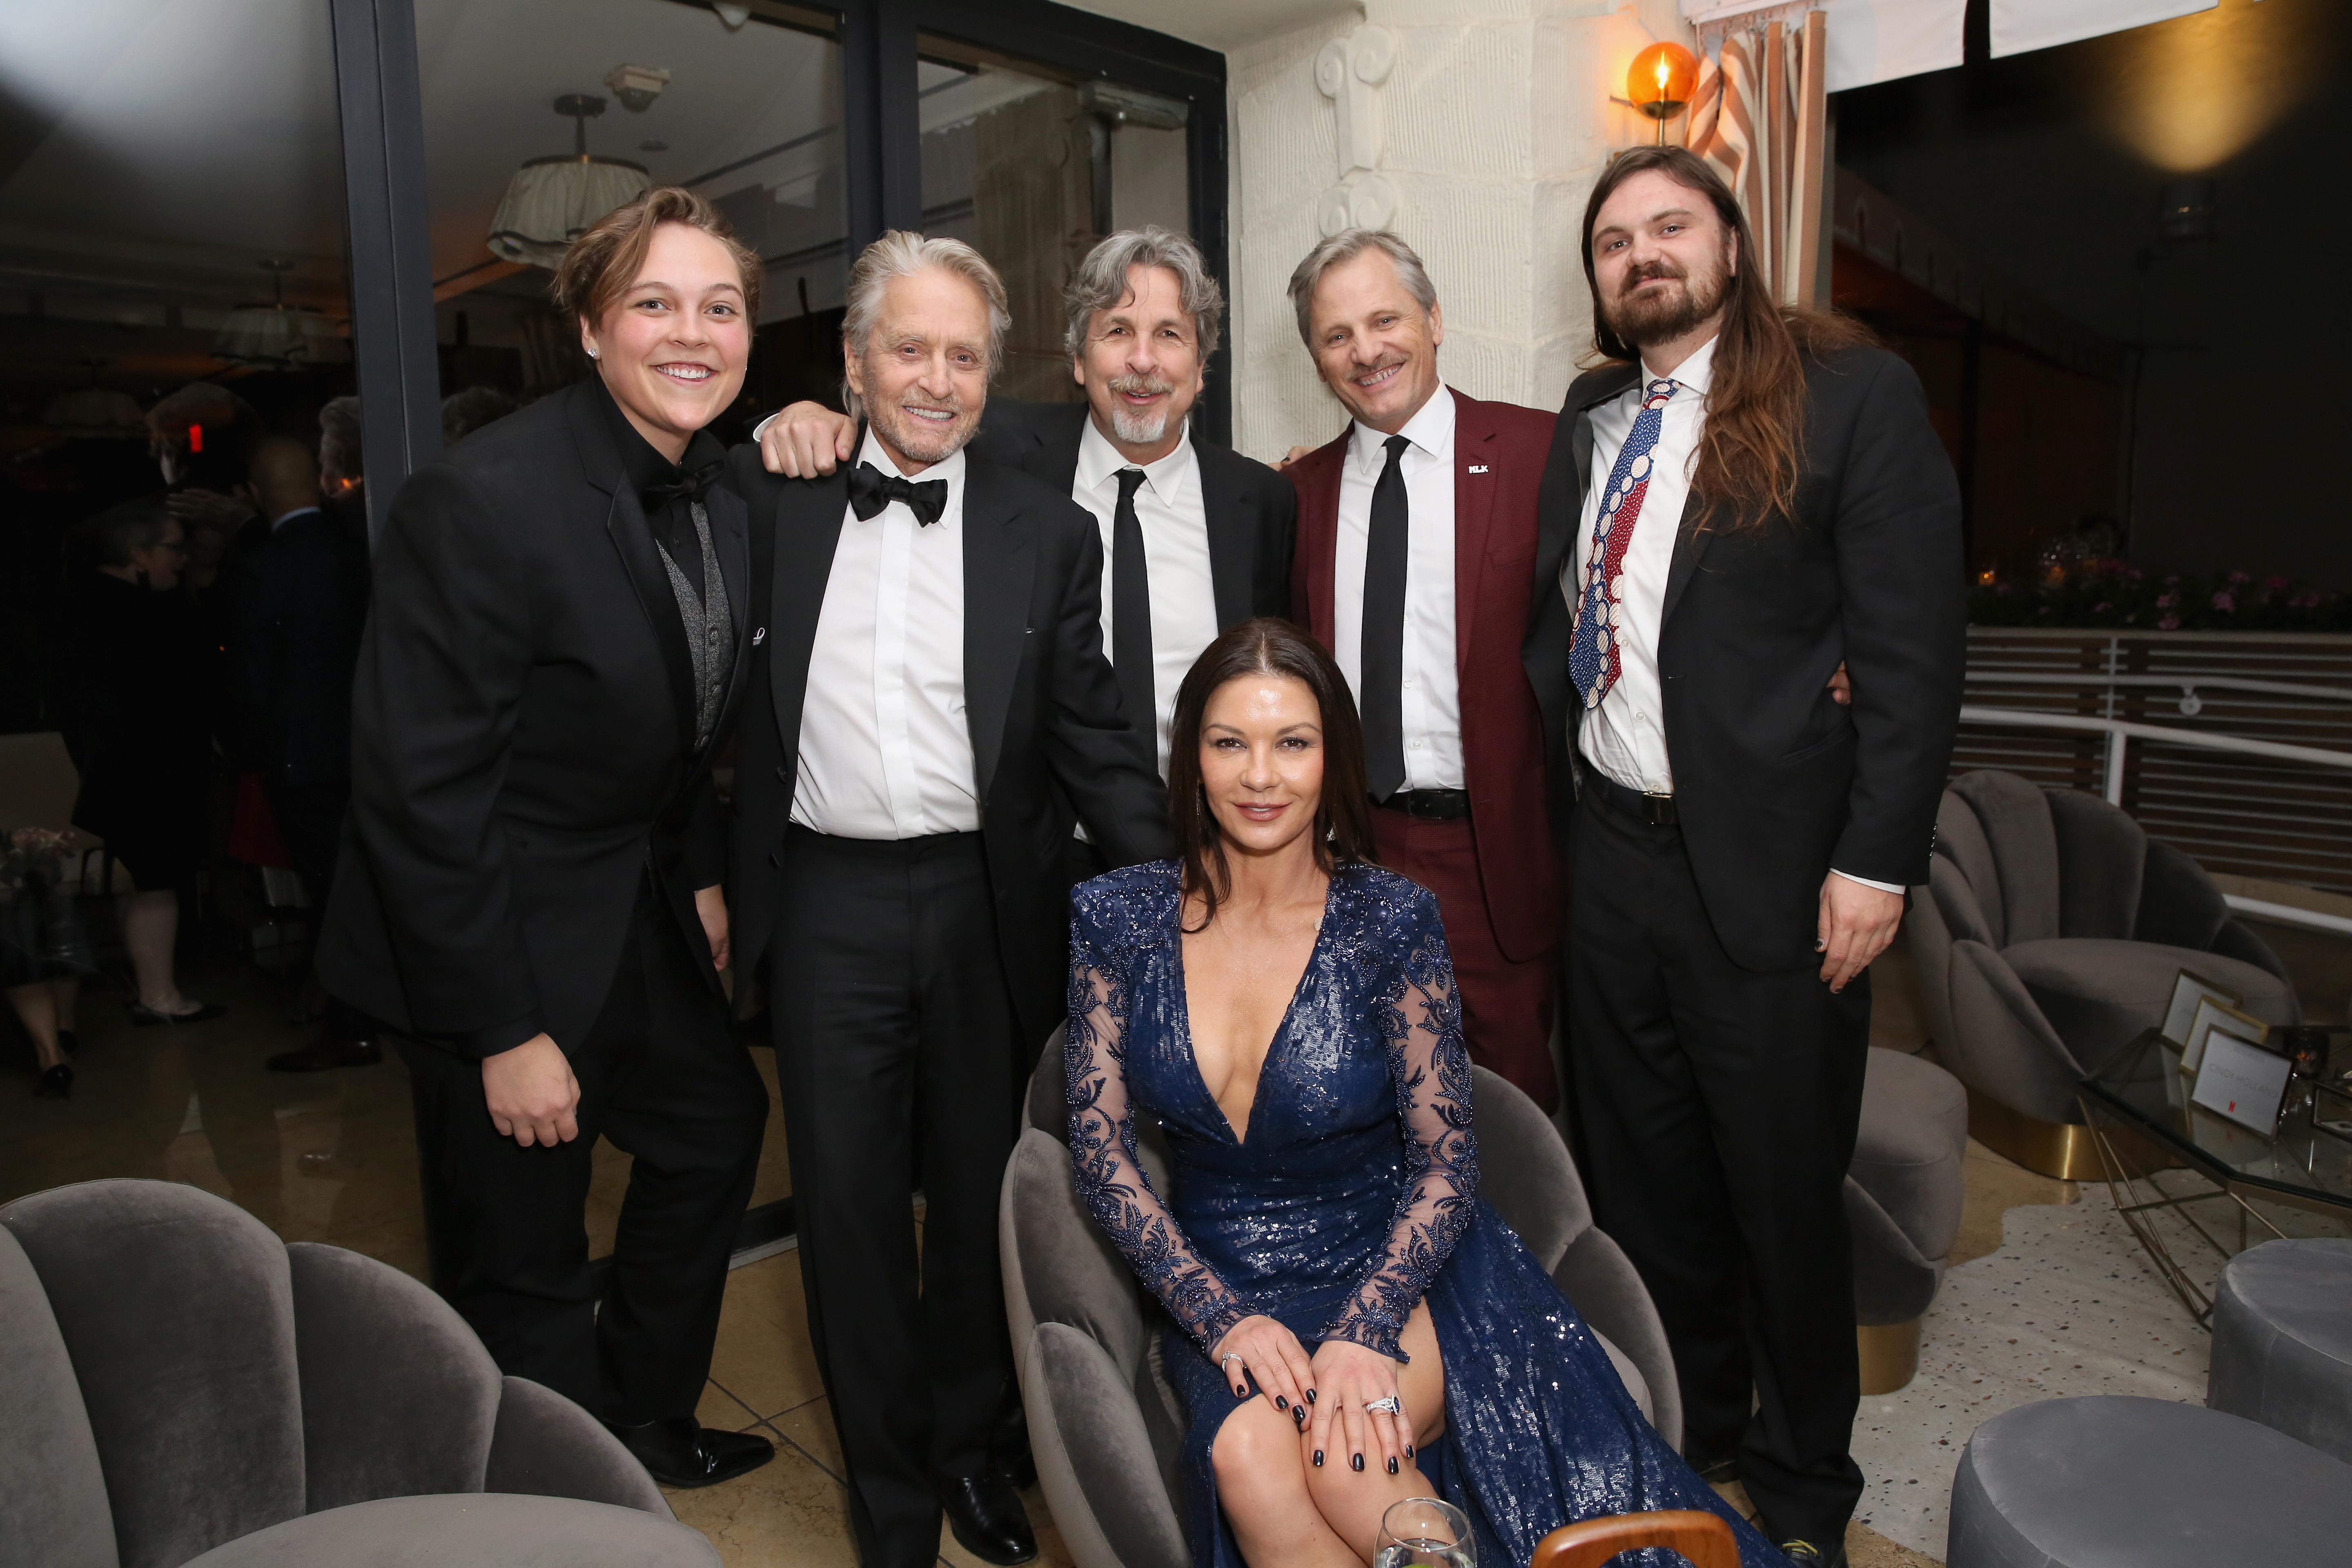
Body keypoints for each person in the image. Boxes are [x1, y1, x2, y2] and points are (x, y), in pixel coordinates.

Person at [1065, 617, 1783, 1568]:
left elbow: (1447, 1160)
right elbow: (1100, 1148)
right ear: (1191, 757)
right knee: (1248, 1457)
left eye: (1293, 744)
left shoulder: (1390, 920)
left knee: (1347, 1450)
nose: (1261, 776)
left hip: (1394, 1266)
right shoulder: (1116, 916)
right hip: (1226, 1283)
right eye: (1230, 743)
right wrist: (1216, 1314)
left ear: (1334, 757)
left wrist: (1369, 1327)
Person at [1522, 146, 1964, 1568]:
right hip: (1614, 856)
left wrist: (1876, 864)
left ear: (1731, 243)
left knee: (1781, 1198)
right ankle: (1691, 1433)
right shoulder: (1592, 414)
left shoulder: (1853, 396)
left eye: (1670, 226)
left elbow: (1913, 655)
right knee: (1643, 1186)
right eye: (1614, 242)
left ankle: (1805, 1487)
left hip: (1778, 874)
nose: (1641, 255)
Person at [722, 230, 1170, 1568]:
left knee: (984, 1202)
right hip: (828, 902)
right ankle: (889, 1491)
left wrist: (1175, 903)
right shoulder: (771, 499)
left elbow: (1095, 738)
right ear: (854, 363)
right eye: (908, 350)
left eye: (963, 356)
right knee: (848, 1210)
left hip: (989, 904)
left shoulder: (1051, 530)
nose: (936, 379)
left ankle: (972, 1449)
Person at [316, 187, 774, 1490]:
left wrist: (696, 874)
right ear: (587, 327)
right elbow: (418, 793)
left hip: (627, 898)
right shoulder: (481, 500)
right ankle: (549, 1498)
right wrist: (502, 1031)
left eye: (721, 307)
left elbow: (675, 718)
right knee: (521, 1248)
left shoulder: (722, 491)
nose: (692, 334)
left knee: (714, 1127)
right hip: (484, 927)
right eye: (654, 303)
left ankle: (642, 1416)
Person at [752, 225, 1295, 784]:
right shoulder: (998, 454)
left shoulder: (1261, 503)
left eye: (1169, 335)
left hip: (1214, 814)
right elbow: (906, 416)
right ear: (1078, 359)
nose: (1142, 360)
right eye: (1117, 331)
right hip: (1045, 825)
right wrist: (803, 419)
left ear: (1201, 367)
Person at [1278, 229, 1564, 1111]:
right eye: (1337, 335)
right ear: (1317, 359)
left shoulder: (1542, 453)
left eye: (1385, 320)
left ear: (1434, 319)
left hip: (1496, 856)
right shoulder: (1296, 496)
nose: (1366, 351)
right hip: (1353, 853)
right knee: (1369, 1109)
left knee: (1514, 1115)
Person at [231, 435, 377, 1072]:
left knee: (331, 894)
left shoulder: (263, 566)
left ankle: (351, 1027)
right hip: (377, 750)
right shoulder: (360, 548)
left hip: (307, 758)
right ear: (319, 481)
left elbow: (253, 677)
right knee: (379, 885)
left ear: (255, 495)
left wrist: (256, 751)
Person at [55, 498, 225, 1027]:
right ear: (137, 553)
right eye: (173, 547)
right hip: (148, 774)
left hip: (117, 773)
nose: (182, 559)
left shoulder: (83, 604)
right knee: (157, 886)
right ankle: (159, 996)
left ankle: (152, 991)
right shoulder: (138, 614)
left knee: (144, 884)